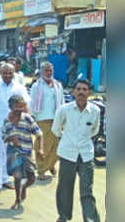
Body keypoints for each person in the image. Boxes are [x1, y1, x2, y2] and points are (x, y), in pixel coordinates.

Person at [51, 79, 101, 222]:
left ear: (90, 92)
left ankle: (91, 219)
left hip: (86, 155)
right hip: (67, 154)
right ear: (73, 92)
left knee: (87, 190)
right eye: (78, 89)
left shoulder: (95, 110)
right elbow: (56, 129)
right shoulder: (64, 109)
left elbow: (94, 130)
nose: (81, 92)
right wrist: (67, 139)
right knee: (65, 189)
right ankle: (64, 217)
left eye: (85, 89)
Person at [0, 63, 31, 196]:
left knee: (10, 153)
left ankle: (5, 179)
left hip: (14, 125)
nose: (7, 75)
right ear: (0, 73)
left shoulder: (19, 88)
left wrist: (28, 123)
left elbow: (25, 105)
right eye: (5, 73)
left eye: (10, 73)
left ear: (14, 73)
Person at [2, 94, 44, 210]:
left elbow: (39, 134)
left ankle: (24, 188)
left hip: (26, 152)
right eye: (17, 107)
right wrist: (10, 139)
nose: (20, 110)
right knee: (17, 176)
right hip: (13, 152)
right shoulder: (6, 120)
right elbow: (3, 136)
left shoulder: (27, 119)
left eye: (22, 107)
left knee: (31, 178)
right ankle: (17, 199)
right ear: (11, 107)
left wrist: (40, 149)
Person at [30, 62, 64, 180]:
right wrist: (32, 117)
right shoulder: (36, 86)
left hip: (56, 118)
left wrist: (63, 117)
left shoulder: (58, 85)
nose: (49, 73)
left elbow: (62, 102)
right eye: (46, 70)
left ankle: (51, 164)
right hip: (41, 118)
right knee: (42, 144)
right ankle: (41, 169)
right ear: (41, 71)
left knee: (56, 144)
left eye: (50, 70)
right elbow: (32, 102)